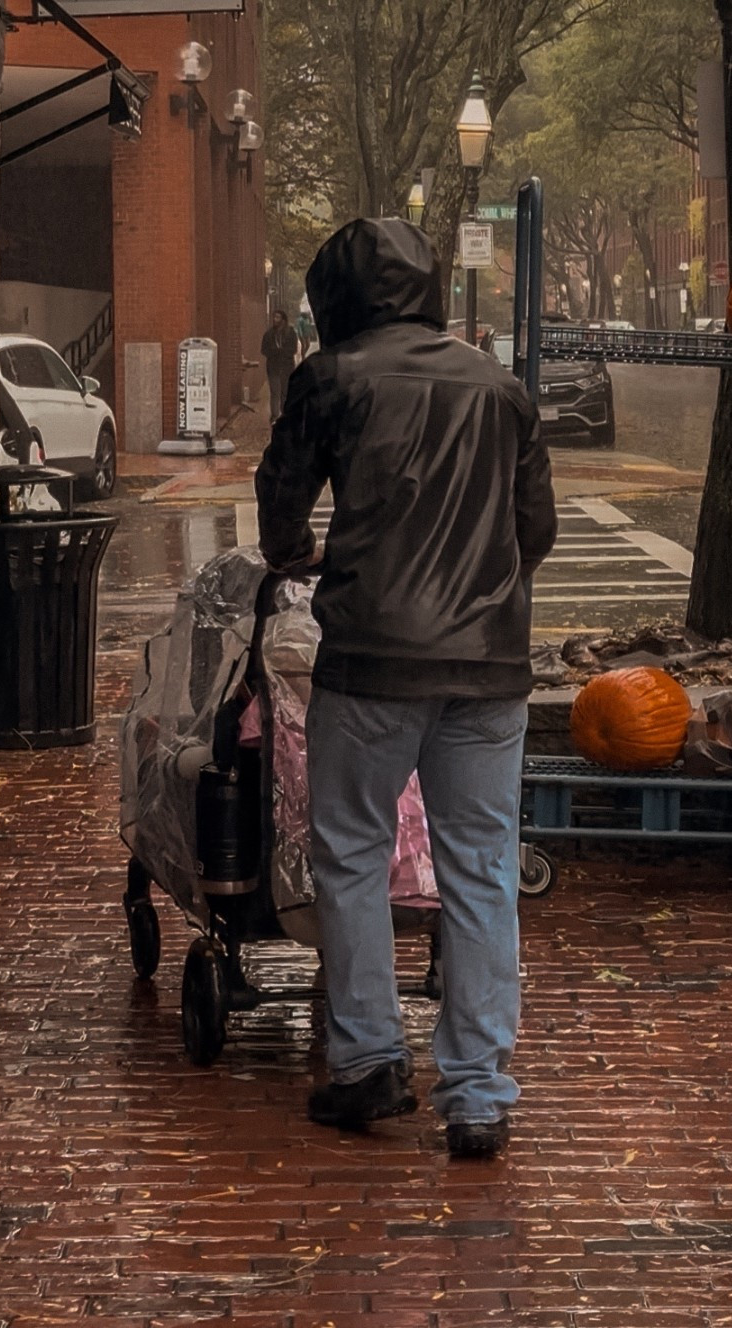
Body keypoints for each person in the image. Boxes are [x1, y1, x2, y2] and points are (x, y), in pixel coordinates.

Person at [256, 217, 556, 1159]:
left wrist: (300, 554)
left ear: (334, 298)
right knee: (482, 865)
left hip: (372, 661)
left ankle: (370, 1061)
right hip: (488, 670)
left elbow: (280, 503)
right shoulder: (501, 390)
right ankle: (476, 1092)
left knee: (352, 853)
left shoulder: (332, 379)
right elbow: (533, 529)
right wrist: (486, 591)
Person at [260, 309, 299, 423]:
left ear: (283, 319)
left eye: (278, 317)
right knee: (275, 392)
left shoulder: (290, 332)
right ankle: (274, 415)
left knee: (285, 392)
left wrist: (283, 352)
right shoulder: (269, 334)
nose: (275, 320)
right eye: (274, 317)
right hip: (273, 367)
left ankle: (285, 414)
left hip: (287, 367)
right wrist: (274, 352)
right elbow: (263, 350)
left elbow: (294, 349)